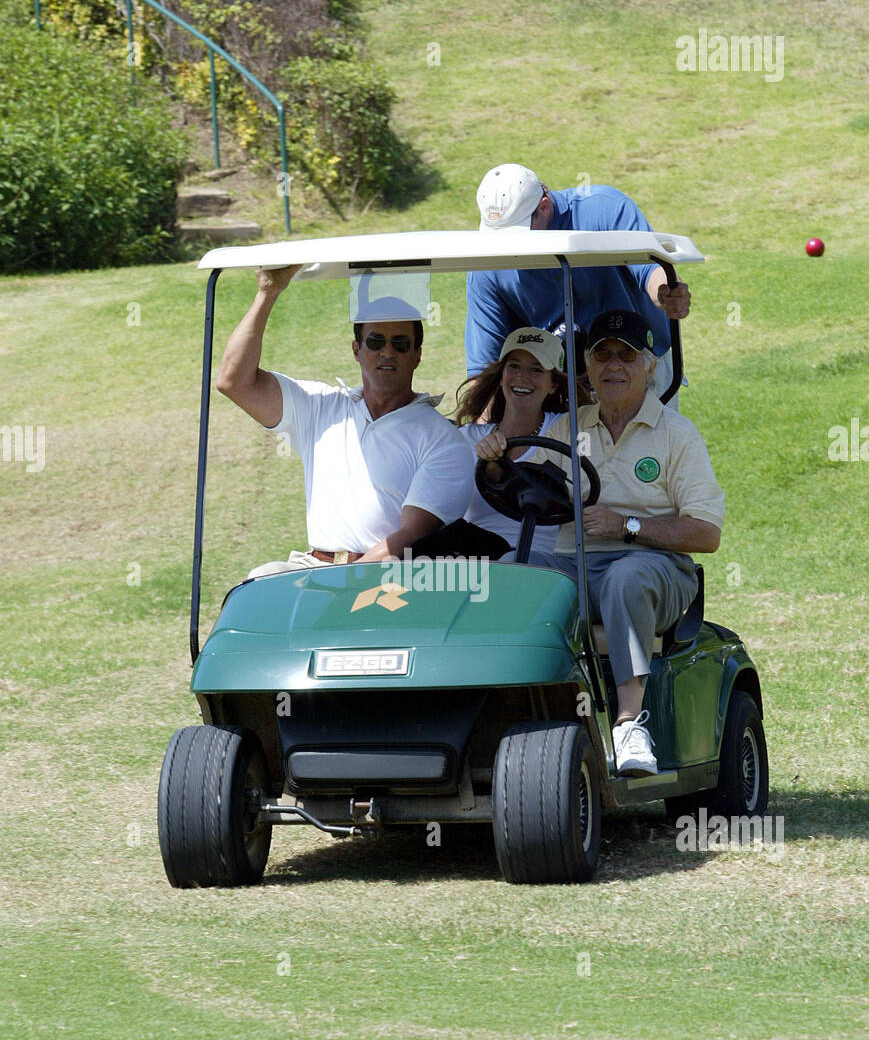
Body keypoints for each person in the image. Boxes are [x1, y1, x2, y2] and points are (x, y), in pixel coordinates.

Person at [476, 309, 724, 778]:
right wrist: (495, 464)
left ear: (649, 366)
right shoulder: (568, 428)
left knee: (627, 577)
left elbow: (706, 533)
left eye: (626, 355)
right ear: (587, 366)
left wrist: (627, 526)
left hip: (657, 568)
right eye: (602, 355)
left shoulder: (676, 435)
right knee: (511, 569)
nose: (613, 366)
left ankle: (630, 723)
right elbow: (533, 489)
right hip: (578, 565)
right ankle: (509, 713)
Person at [215, 264, 474, 574]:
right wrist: (267, 293)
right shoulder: (320, 406)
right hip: (312, 566)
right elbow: (234, 381)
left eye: (401, 344)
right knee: (259, 582)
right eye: (376, 342)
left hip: (390, 575)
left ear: (418, 354)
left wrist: (346, 581)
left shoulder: (443, 439)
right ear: (357, 350)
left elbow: (412, 535)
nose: (387, 353)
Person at [466, 163, 692, 400]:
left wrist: (667, 294)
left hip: (637, 363)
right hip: (559, 384)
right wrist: (479, 429)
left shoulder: (604, 207)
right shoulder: (486, 268)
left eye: (518, 233)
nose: (508, 247)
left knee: (650, 436)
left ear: (543, 206)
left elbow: (651, 269)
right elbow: (484, 369)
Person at [411, 326, 589, 560]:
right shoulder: (467, 438)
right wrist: (487, 469)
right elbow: (438, 504)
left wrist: (502, 472)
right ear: (502, 374)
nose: (522, 377)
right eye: (513, 366)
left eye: (536, 370)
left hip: (543, 561)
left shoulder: (571, 428)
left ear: (553, 384)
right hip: (476, 554)